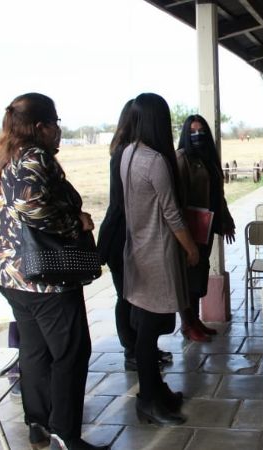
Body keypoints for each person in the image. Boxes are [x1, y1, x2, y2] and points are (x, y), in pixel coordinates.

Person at [0, 93, 109, 450]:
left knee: (35, 350)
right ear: (40, 127)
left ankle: (38, 424)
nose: (59, 130)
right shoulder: (33, 155)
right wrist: (74, 223)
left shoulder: (6, 154)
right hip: (45, 278)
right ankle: (65, 435)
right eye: (56, 123)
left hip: (12, 276)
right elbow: (30, 206)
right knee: (71, 352)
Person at [121, 93, 199, 426]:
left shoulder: (128, 153)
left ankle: (156, 392)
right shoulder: (155, 161)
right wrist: (191, 248)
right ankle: (149, 400)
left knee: (147, 328)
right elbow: (172, 213)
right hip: (158, 253)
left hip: (138, 250)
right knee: (150, 331)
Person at [96, 100, 173, 369]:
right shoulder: (128, 155)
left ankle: (143, 349)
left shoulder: (130, 153)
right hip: (122, 235)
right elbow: (124, 204)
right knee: (127, 296)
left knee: (134, 296)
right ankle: (133, 350)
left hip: (128, 233)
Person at [176, 114, 235, 342]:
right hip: (190, 228)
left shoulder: (209, 157)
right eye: (192, 132)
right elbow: (177, 199)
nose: (197, 135)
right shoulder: (182, 158)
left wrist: (226, 220)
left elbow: (218, 194)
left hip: (207, 226)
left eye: (201, 131)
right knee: (189, 277)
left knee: (200, 273)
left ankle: (195, 321)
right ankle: (187, 324)